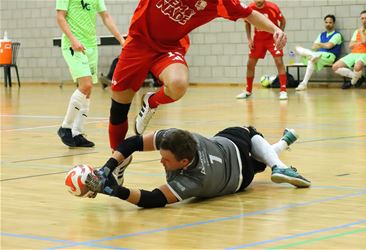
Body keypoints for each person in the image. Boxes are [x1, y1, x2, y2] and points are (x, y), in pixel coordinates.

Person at [108, 0, 287, 175]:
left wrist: (275, 29)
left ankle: (151, 102)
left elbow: (250, 14)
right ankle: (118, 162)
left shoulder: (220, 3)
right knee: (118, 111)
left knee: (178, 84)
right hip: (138, 43)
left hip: (168, 49)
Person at [85, 126, 310, 208]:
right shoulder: (177, 138)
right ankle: (281, 154)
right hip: (232, 150)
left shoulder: (193, 181)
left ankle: (279, 160)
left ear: (184, 163)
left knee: (252, 137)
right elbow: (133, 142)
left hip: (242, 177)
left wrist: (115, 191)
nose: (160, 161)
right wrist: (107, 168)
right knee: (252, 139)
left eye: (166, 160)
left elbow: (153, 199)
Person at [56, 0, 125, 147]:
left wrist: (121, 39)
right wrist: (73, 39)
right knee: (85, 85)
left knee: (88, 91)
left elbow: (105, 16)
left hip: (91, 45)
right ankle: (65, 127)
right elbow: (60, 17)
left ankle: (77, 133)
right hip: (73, 45)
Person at [236, 0, 288, 100]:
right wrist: (249, 39)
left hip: (271, 38)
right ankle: (248, 90)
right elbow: (247, 23)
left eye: (260, 2)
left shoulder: (273, 7)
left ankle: (283, 90)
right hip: (258, 39)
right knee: (250, 64)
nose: (257, 4)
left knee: (279, 61)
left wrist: (280, 35)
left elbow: (283, 21)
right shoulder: (250, 7)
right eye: (256, 2)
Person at [294, 15, 342, 91]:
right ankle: (304, 84)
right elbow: (313, 47)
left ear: (333, 23)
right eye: (326, 22)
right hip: (318, 55)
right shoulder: (321, 34)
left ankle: (306, 53)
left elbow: (329, 46)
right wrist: (322, 45)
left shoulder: (337, 35)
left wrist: (319, 44)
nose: (328, 24)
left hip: (330, 56)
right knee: (311, 59)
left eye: (330, 22)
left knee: (311, 57)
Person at [332, 10, 366, 89]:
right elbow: (350, 45)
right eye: (362, 18)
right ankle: (359, 78)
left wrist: (361, 32)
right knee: (335, 67)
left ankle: (352, 82)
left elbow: (365, 41)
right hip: (354, 53)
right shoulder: (356, 31)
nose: (364, 20)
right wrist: (360, 41)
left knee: (357, 67)